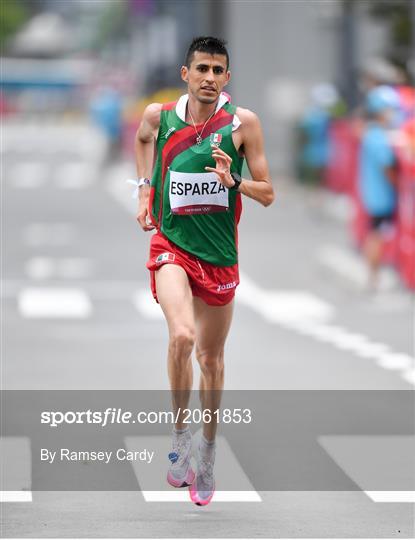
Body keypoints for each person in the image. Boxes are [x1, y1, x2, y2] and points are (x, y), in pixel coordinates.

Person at [134, 36, 274, 506]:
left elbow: (269, 192)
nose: (209, 78)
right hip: (171, 244)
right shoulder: (160, 117)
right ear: (185, 74)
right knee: (181, 337)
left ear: (227, 78)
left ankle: (208, 453)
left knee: (211, 361)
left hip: (218, 256)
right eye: (202, 70)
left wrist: (233, 181)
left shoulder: (241, 124)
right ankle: (180, 436)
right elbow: (142, 140)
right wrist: (143, 191)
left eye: (218, 71)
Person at [359, 85, 399, 290]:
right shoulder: (377, 137)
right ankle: (373, 279)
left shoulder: (372, 133)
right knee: (376, 235)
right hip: (381, 196)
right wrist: (399, 185)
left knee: (376, 234)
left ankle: (373, 277)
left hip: (374, 194)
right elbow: (387, 168)